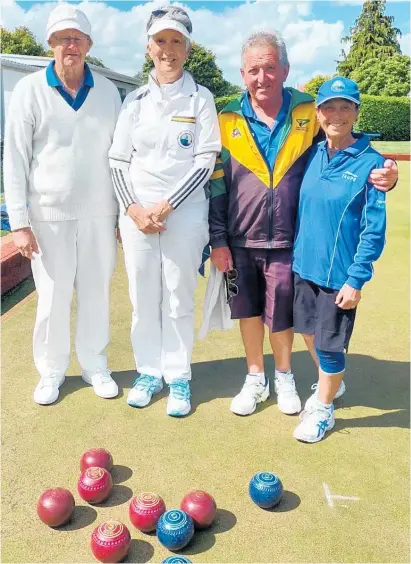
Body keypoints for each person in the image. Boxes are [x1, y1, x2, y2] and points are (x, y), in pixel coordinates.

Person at [209, 30, 397, 418]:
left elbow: (342, 133)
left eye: (270, 68)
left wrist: (385, 171)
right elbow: (216, 182)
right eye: (254, 70)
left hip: (288, 238)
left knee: (280, 315)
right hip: (240, 235)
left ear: (285, 70)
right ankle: (255, 378)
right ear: (243, 74)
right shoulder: (225, 117)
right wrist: (218, 238)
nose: (262, 78)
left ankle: (284, 377)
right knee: (247, 312)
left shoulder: (306, 111)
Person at [4, 4, 121, 405]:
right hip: (47, 215)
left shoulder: (107, 91)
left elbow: (120, 156)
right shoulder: (28, 90)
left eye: (78, 38)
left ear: (88, 44)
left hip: (100, 212)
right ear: (50, 43)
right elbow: (15, 159)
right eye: (63, 38)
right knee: (53, 296)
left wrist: (122, 212)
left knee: (95, 291)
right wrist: (19, 221)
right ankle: (51, 371)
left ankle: (95, 364)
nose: (71, 45)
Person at [109, 6, 220, 417]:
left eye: (176, 41)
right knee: (143, 298)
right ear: (148, 47)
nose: (168, 49)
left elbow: (205, 159)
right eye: (160, 41)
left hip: (185, 213)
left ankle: (178, 377)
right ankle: (148, 372)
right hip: (136, 215)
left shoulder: (200, 97)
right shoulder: (133, 100)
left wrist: (166, 205)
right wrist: (136, 211)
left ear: (188, 49)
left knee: (177, 296)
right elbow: (119, 160)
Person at [292, 77, 387, 442]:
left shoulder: (373, 164)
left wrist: (356, 279)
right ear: (318, 114)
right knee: (308, 333)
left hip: (340, 276)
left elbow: (373, 230)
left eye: (345, 107)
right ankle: (331, 385)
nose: (336, 114)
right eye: (329, 107)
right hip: (304, 268)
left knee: (331, 345)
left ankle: (324, 409)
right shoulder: (313, 154)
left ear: (357, 112)